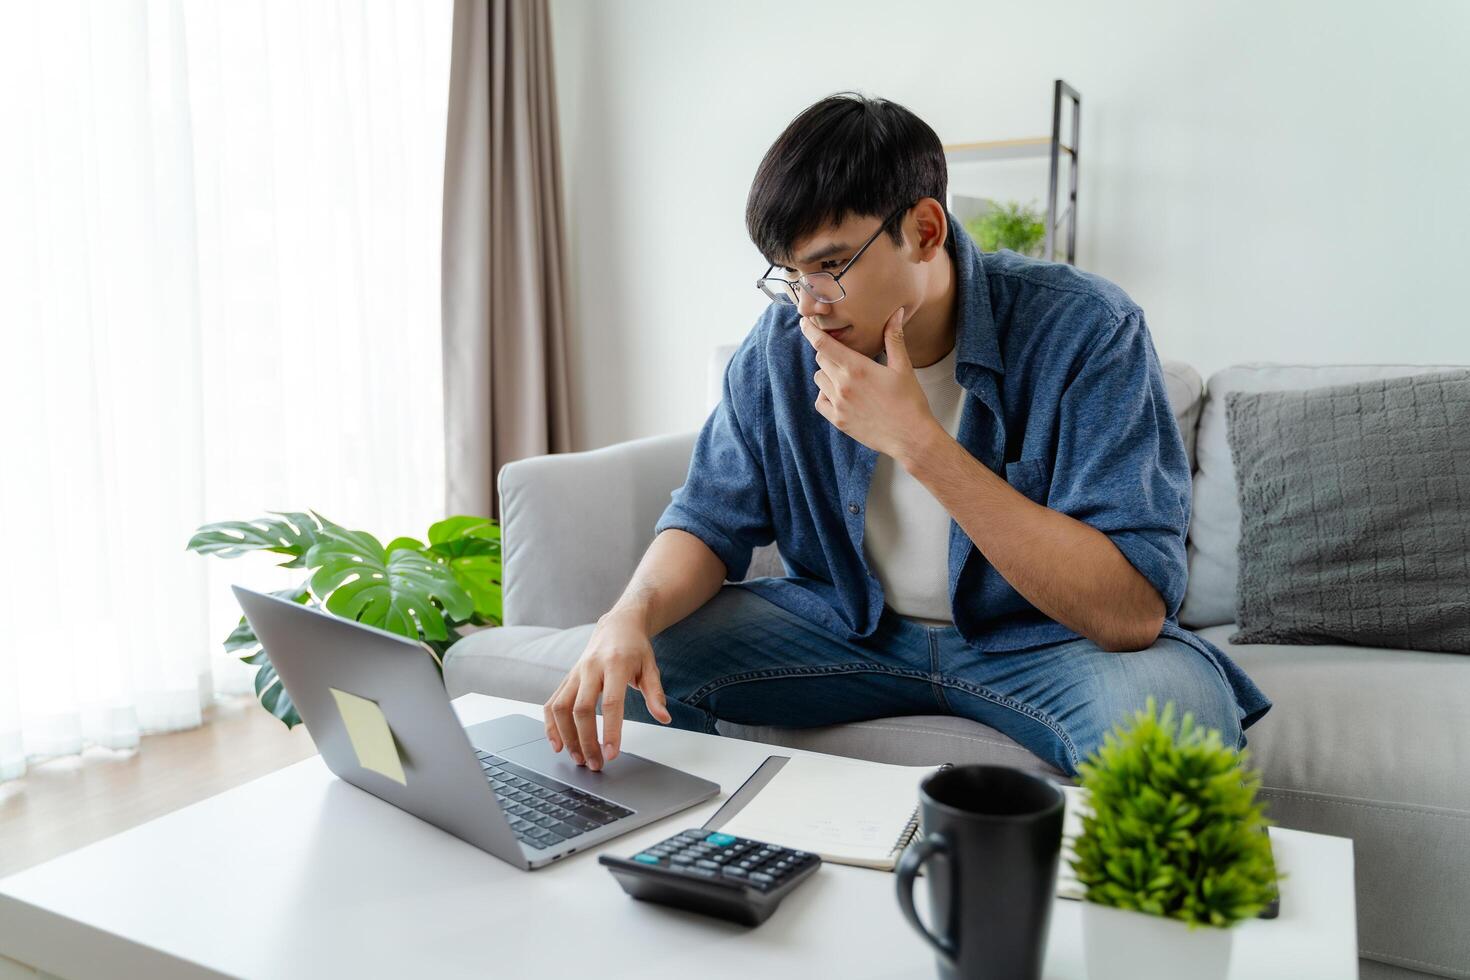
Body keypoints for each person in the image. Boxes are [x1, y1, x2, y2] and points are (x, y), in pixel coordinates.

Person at [542, 91, 1270, 776]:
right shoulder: (781, 346)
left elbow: (1133, 608)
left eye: (831, 266)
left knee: (1178, 732)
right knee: (633, 666)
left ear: (925, 231)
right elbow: (707, 519)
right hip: (849, 631)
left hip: (1041, 645)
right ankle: (706, 874)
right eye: (790, 275)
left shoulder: (1085, 331)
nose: (809, 306)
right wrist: (626, 614)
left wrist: (919, 443)